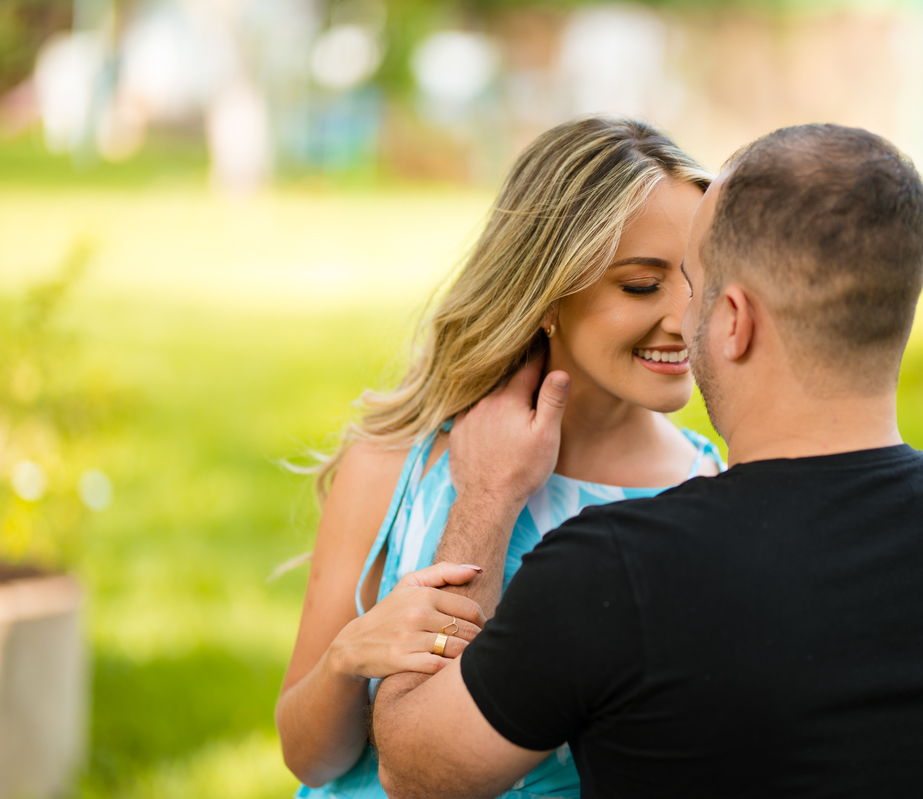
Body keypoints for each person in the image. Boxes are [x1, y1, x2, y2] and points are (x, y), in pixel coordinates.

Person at [369, 124, 923, 799]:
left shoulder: (615, 575)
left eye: (694, 284)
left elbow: (415, 770)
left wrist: (485, 498)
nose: (679, 317)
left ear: (734, 320)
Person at [275, 116, 723, 799]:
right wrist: (346, 659)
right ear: (547, 293)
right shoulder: (399, 463)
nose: (687, 318)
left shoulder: (711, 488)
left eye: (702, 280)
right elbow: (309, 760)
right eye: (641, 285)